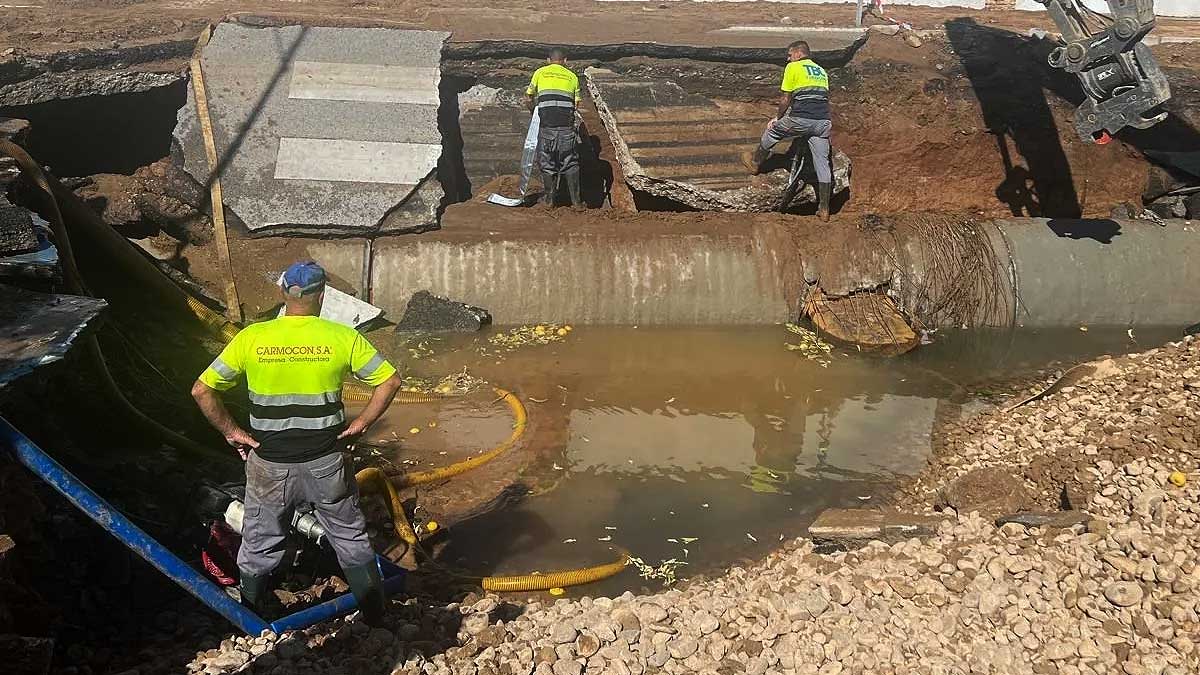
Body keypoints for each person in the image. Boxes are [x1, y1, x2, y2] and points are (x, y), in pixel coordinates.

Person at [190, 261, 402, 625]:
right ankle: (376, 615)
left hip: (269, 464)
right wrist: (361, 424)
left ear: (283, 293)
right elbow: (390, 381)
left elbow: (201, 390)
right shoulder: (342, 337)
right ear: (322, 295)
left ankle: (252, 622)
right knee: (350, 537)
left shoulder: (251, 338)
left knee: (260, 541)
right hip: (327, 461)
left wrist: (232, 431)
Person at [743, 40, 835, 221]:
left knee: (773, 131)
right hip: (822, 123)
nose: (788, 58)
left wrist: (778, 118)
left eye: (790, 54)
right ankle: (824, 209)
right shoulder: (821, 71)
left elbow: (786, 99)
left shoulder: (793, 67)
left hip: (800, 120)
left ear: (799, 54)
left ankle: (755, 163)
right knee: (822, 164)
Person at [526, 48, 584, 209]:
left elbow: (528, 97)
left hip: (547, 128)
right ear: (565, 61)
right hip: (566, 129)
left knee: (547, 163)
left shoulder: (540, 73)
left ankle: (550, 201)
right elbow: (576, 105)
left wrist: (534, 112)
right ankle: (577, 203)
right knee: (570, 163)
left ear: (548, 60)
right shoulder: (572, 77)